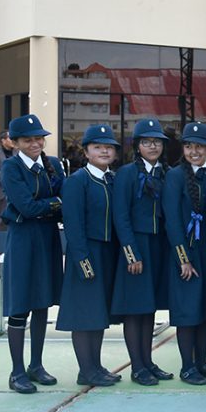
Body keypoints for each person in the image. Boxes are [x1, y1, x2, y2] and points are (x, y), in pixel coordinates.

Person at [0, 114, 64, 394]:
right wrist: (54, 203)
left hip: (47, 238)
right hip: (23, 241)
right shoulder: (11, 168)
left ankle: (36, 365)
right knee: (20, 305)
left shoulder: (54, 165)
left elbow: (62, 201)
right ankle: (17, 372)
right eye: (28, 140)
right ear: (15, 143)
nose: (36, 143)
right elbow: (26, 208)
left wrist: (48, 205)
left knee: (42, 302)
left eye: (39, 138)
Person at [57, 124, 122, 387]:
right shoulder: (77, 181)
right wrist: (83, 261)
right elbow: (73, 225)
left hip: (107, 253)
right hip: (86, 253)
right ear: (86, 152)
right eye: (97, 147)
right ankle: (86, 368)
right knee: (84, 314)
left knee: (98, 313)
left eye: (109, 147)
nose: (104, 151)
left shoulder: (112, 179)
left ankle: (94, 366)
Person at [163, 121, 206, 386]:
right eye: (188, 146)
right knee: (187, 311)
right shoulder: (175, 176)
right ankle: (187, 367)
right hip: (186, 252)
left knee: (204, 310)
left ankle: (201, 362)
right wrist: (183, 259)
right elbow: (172, 221)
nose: (194, 151)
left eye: (199, 146)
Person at [112, 118, 172, 386]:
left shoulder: (166, 172)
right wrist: (131, 253)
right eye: (147, 142)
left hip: (158, 246)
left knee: (149, 308)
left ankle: (148, 361)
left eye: (157, 141)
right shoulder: (126, 174)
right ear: (137, 146)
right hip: (136, 246)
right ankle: (137, 366)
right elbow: (121, 216)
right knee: (134, 309)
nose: (153, 146)